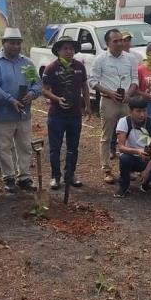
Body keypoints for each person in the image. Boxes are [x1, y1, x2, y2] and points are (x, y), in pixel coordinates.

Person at [0, 27, 41, 193]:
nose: (15, 46)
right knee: (4, 147)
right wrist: (9, 100)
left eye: (18, 43)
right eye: (12, 43)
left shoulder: (27, 63)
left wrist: (32, 93)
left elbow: (37, 83)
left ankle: (24, 177)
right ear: (3, 43)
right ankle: (8, 177)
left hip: (24, 114)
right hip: (4, 114)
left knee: (24, 146)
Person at [89, 29, 138, 184]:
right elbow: (92, 82)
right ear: (107, 43)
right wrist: (109, 93)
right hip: (108, 102)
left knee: (128, 135)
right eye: (115, 41)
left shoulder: (131, 58)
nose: (119, 44)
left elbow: (135, 80)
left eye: (121, 40)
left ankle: (128, 168)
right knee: (106, 136)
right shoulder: (100, 59)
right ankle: (107, 170)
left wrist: (129, 94)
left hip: (126, 102)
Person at [41, 36, 90, 190]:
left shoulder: (79, 67)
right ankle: (56, 176)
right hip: (56, 115)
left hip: (75, 114)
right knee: (55, 147)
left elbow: (85, 88)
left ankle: (70, 174)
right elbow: (44, 90)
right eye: (65, 48)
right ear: (58, 51)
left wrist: (87, 106)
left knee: (73, 146)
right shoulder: (51, 68)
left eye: (71, 48)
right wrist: (57, 99)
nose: (69, 51)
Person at [114, 95, 151, 197]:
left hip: (147, 158)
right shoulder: (124, 122)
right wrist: (137, 151)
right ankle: (123, 186)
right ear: (130, 111)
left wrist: (147, 169)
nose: (142, 114)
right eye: (138, 111)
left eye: (144, 111)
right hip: (131, 157)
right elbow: (121, 147)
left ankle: (146, 184)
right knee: (124, 158)